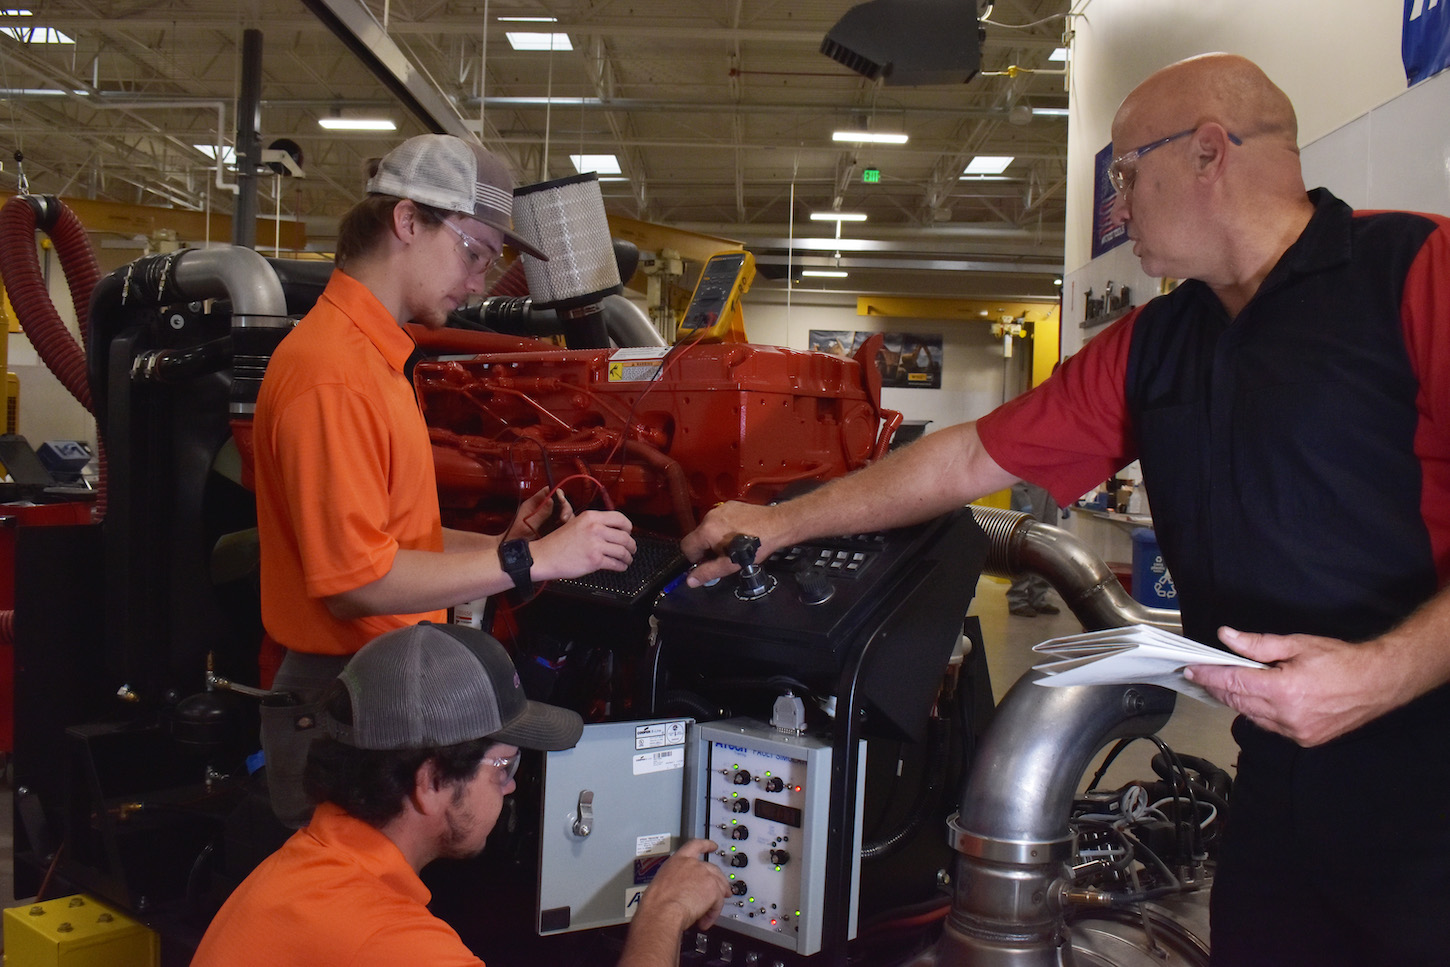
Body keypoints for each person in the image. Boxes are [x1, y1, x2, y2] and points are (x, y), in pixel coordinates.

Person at [681, 53, 1450, 967]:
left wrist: (1380, 675)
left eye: (1126, 171)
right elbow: (972, 454)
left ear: (1210, 152)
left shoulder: (1416, 270)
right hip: (1280, 776)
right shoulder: (1157, 341)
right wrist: (781, 520)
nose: (1116, 205)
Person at [252, 133, 637, 826]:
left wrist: (496, 539)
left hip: (383, 684)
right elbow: (355, 582)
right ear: (407, 221)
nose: (481, 281)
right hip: (341, 700)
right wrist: (530, 559)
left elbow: (394, 538)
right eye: (475, 252)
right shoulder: (333, 371)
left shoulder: (375, 360)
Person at [192, 622, 729, 967]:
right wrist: (664, 910)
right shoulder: (387, 942)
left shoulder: (295, 873)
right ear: (429, 782)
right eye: (503, 765)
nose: (513, 785)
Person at [1005, 480, 1060, 616]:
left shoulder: (1054, 460)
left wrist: (1062, 502)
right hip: (1027, 512)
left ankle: (1038, 598)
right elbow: (1016, 483)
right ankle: (1017, 600)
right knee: (1022, 553)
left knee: (1044, 553)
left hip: (1047, 509)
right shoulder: (1031, 458)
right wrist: (1024, 503)